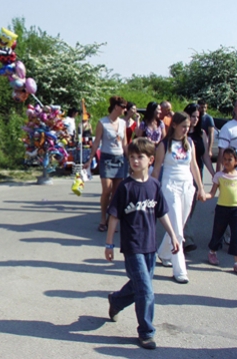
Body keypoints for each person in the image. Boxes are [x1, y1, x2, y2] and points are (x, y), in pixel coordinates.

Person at [105, 138, 179, 350]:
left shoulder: (154, 185)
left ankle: (116, 301)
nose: (135, 161)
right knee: (146, 290)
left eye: (140, 157)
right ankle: (146, 332)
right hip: (132, 247)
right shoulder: (125, 187)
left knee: (139, 285)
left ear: (151, 160)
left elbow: (162, 213)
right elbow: (114, 216)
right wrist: (109, 244)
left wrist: (173, 235)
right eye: (132, 157)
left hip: (150, 246)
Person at [151, 112, 206, 284]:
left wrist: (201, 188)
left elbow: (194, 166)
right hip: (170, 187)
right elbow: (156, 170)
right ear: (174, 125)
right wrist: (150, 190)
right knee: (178, 231)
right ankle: (180, 269)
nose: (186, 130)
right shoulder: (164, 145)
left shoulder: (189, 143)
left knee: (178, 225)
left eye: (188, 127)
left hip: (187, 187)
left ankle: (164, 252)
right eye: (183, 126)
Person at [84, 96, 128, 232]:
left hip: (120, 158)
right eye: (123, 107)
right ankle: (103, 218)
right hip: (107, 158)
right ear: (116, 107)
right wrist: (90, 159)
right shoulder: (102, 122)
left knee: (116, 192)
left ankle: (111, 219)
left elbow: (125, 143)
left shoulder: (123, 123)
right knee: (107, 190)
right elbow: (96, 142)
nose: (125, 110)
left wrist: (130, 159)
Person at [206, 146, 237, 275]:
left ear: (236, 161)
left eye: (230, 159)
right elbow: (212, 193)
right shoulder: (219, 176)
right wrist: (204, 195)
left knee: (236, 235)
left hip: (236, 210)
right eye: (224, 159)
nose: (226, 162)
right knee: (218, 232)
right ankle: (212, 252)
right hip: (222, 209)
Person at [216, 97, 237, 253]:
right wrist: (219, 174)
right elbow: (222, 153)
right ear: (235, 109)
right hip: (235, 175)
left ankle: (235, 236)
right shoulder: (228, 128)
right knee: (236, 207)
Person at [182, 103, 215, 253]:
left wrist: (214, 174)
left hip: (197, 174)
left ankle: (182, 235)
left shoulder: (201, 133)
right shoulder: (181, 133)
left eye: (197, 117)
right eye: (192, 116)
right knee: (183, 207)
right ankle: (186, 238)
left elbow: (205, 157)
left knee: (190, 207)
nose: (195, 119)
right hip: (183, 174)